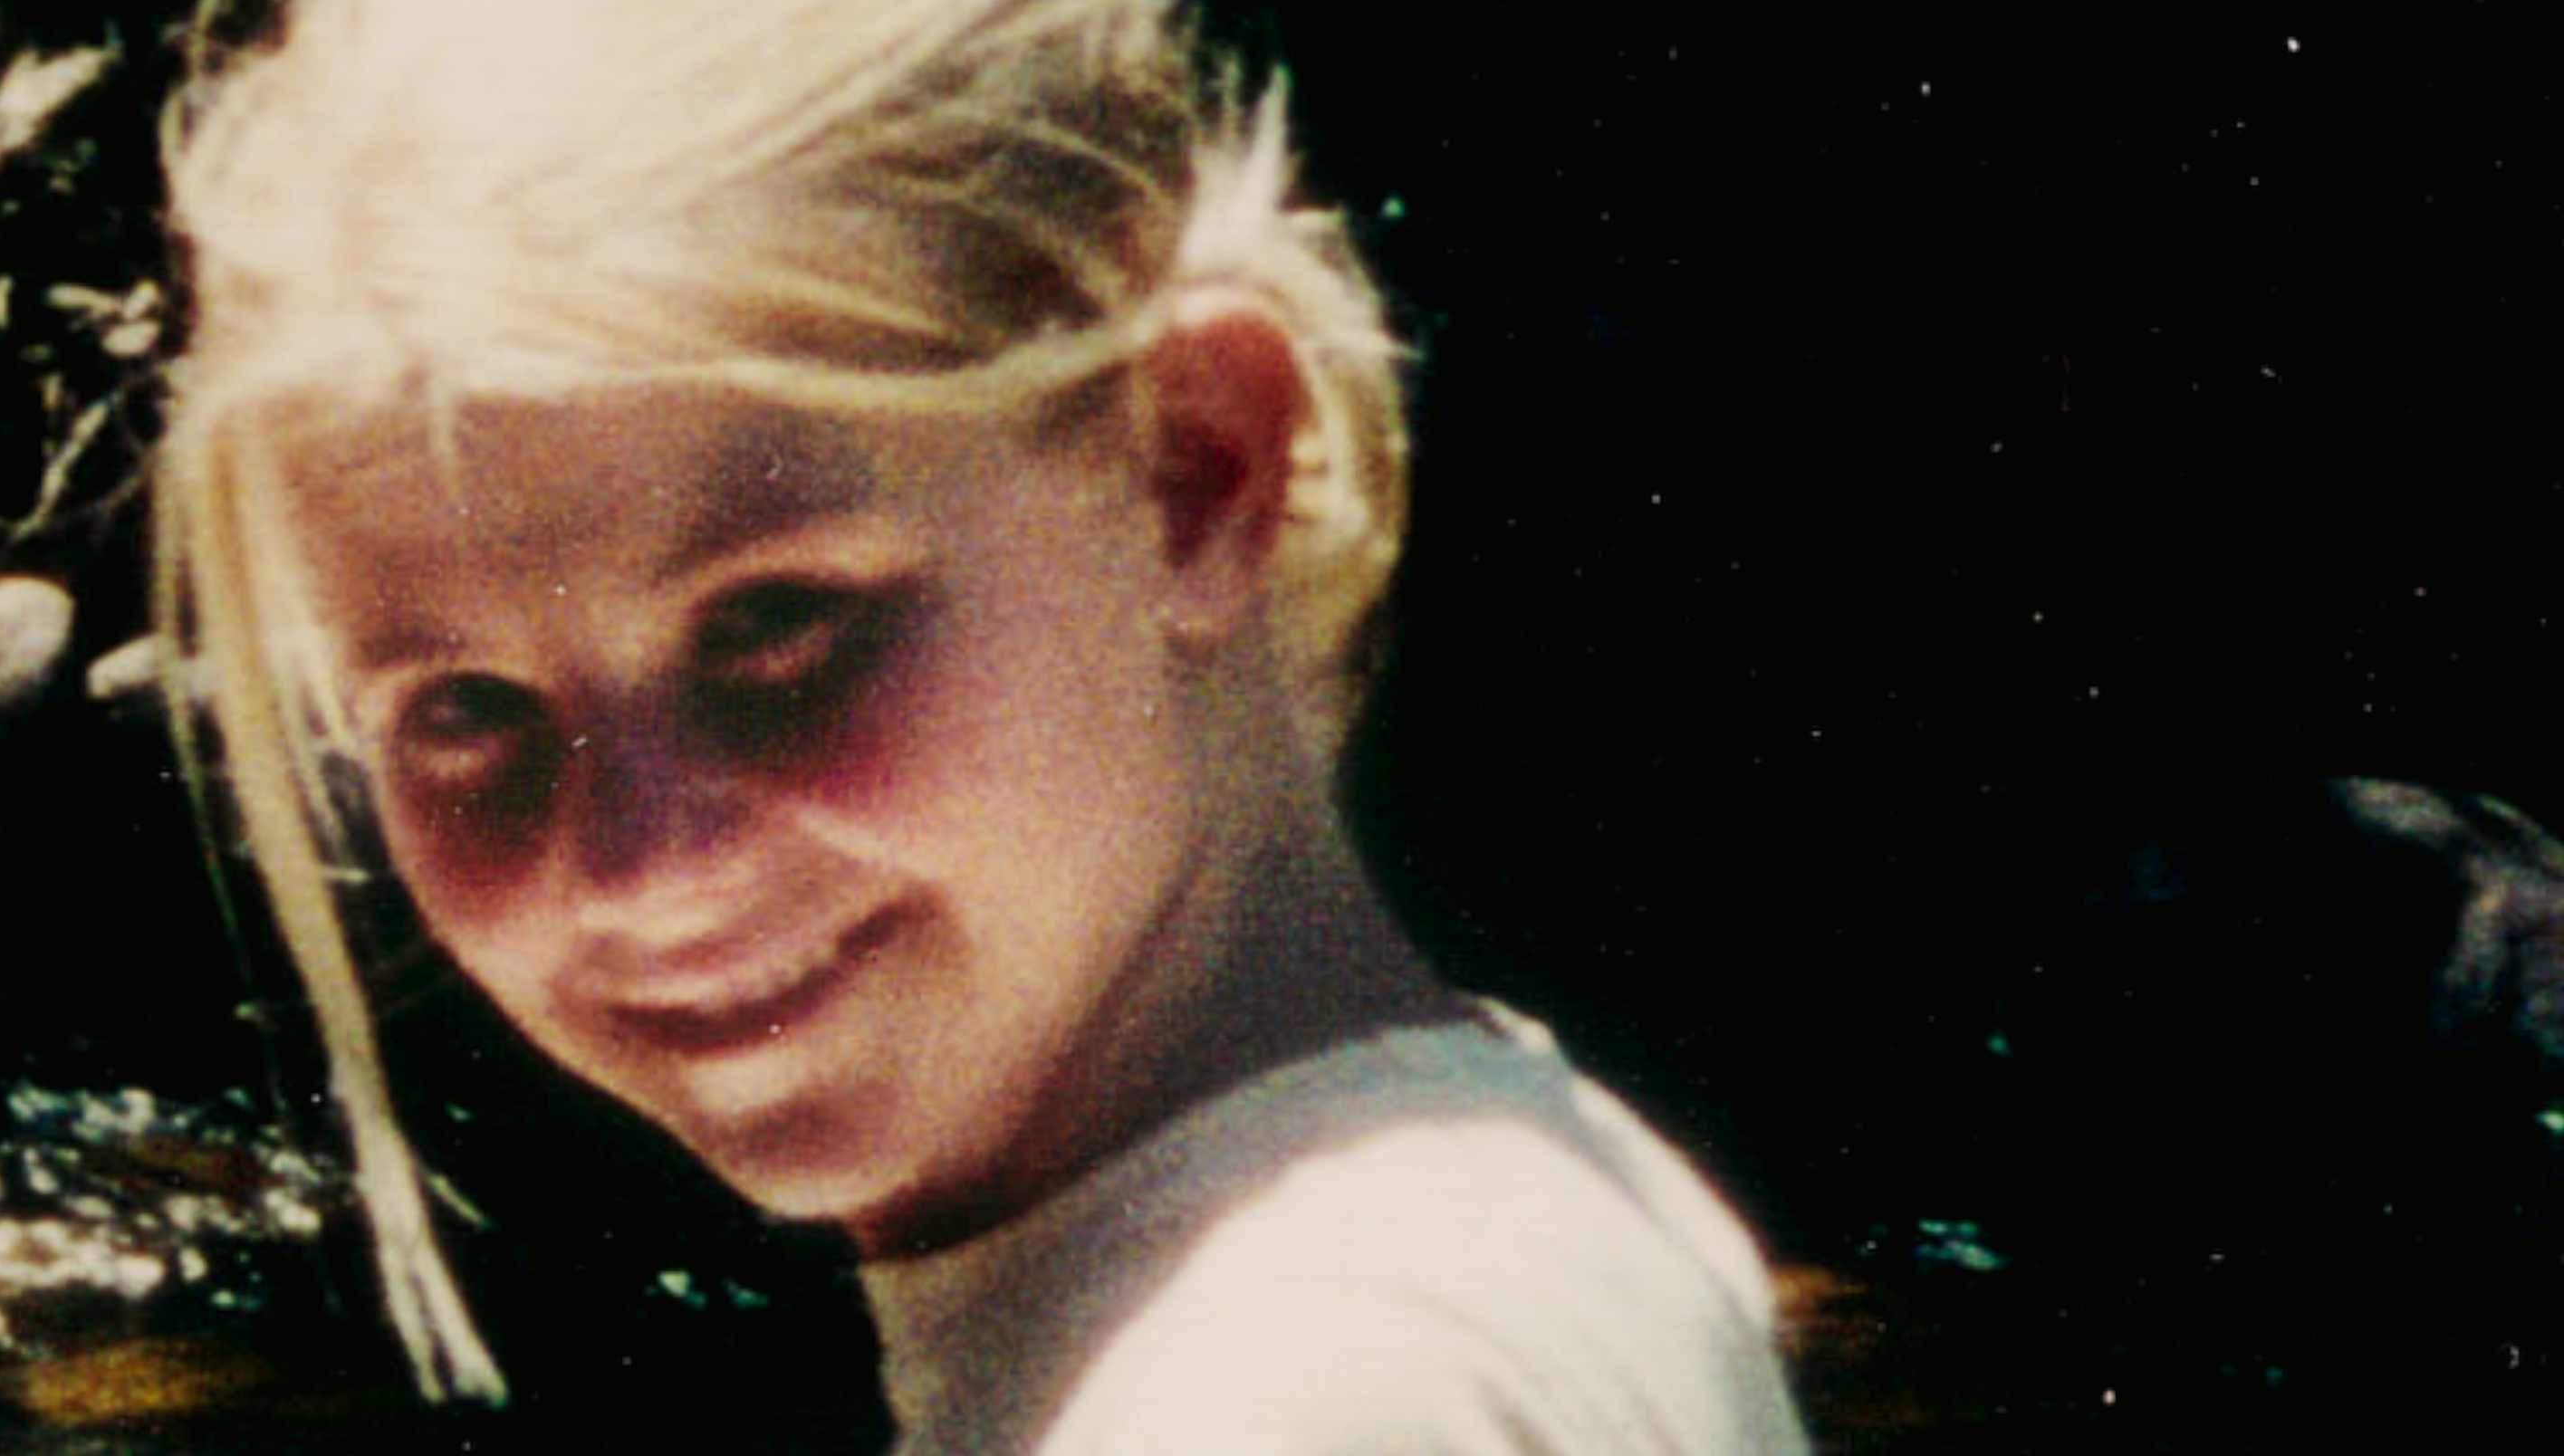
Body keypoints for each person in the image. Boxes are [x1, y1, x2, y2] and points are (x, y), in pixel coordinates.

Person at [153, 1, 1812, 1450]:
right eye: (467, 711)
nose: (645, 867)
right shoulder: (1495, 1201)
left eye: (776, 622)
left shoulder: (1290, 1395)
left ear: (1192, 470)